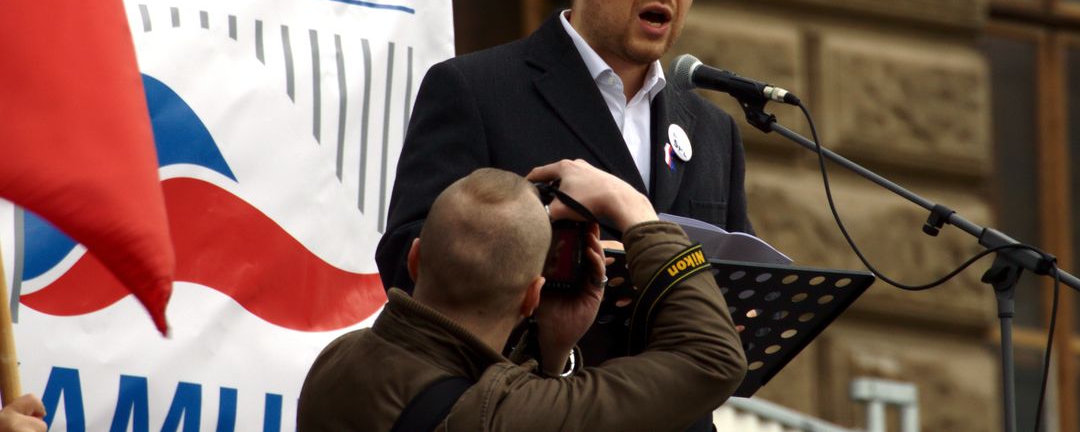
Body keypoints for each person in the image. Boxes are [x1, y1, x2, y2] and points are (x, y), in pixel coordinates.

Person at [376, 0, 751, 294]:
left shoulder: (713, 132)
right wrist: (554, 257)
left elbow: (744, 287)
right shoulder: (476, 91)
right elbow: (408, 262)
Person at [298, 161, 746, 431]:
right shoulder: (498, 416)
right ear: (533, 295)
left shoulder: (338, 361)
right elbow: (713, 359)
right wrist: (634, 210)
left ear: (415, 259)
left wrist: (551, 354)